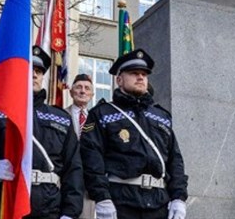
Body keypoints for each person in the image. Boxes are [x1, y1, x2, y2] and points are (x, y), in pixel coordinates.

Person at [0, 45, 84, 219]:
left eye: (39, 71)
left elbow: (73, 168)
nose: (34, 74)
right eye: (29, 68)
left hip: (48, 208)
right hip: (5, 203)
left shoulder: (60, 117)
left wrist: (70, 212)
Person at [80, 49, 188, 219]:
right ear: (119, 80)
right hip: (120, 202)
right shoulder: (102, 113)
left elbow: (175, 160)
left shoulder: (161, 116)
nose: (140, 77)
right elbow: (91, 158)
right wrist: (102, 198)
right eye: (134, 73)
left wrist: (179, 198)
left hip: (159, 203)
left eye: (144, 74)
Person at [65, 73, 96, 219]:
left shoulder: (97, 121)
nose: (83, 91)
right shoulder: (61, 116)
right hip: (64, 181)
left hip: (88, 184)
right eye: (79, 87)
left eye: (87, 88)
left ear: (92, 94)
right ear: (71, 92)